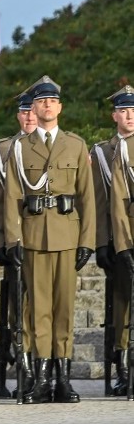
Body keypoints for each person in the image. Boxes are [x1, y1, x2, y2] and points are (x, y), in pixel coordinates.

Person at [4, 75, 94, 404]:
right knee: (39, 309)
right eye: (40, 102)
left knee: (64, 309)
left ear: (60, 107)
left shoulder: (76, 144)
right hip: (33, 235)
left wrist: (87, 240)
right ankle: (41, 378)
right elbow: (13, 195)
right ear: (34, 108)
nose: (46, 106)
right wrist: (13, 238)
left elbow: (87, 197)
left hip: (67, 234)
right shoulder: (20, 147)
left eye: (51, 102)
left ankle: (63, 378)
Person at [0, 91, 38, 397]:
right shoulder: (2, 149)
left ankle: (41, 362)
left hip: (48, 236)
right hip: (14, 239)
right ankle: (23, 363)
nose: (30, 116)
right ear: (17, 115)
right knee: (16, 309)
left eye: (34, 110)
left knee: (44, 304)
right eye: (24, 111)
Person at [97, 86, 134, 395]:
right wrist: (101, 243)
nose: (130, 115)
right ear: (114, 116)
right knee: (120, 304)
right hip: (118, 237)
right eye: (123, 110)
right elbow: (99, 203)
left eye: (133, 110)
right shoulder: (103, 151)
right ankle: (122, 366)